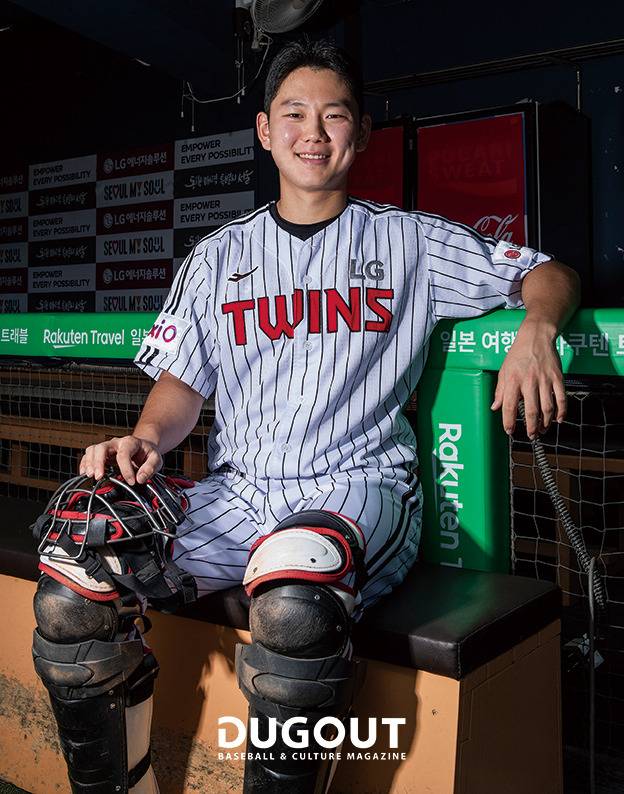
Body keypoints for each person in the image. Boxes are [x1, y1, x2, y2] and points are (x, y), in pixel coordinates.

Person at [32, 38, 580, 794]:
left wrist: (538, 328)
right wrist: (146, 437)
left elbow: (548, 272)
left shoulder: (410, 241)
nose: (313, 132)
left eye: (334, 115)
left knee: (296, 607)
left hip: (357, 485)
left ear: (361, 132)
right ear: (265, 130)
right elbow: (181, 384)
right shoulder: (216, 257)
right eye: (294, 114)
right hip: (240, 491)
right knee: (73, 585)